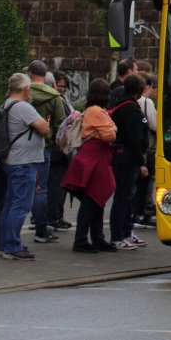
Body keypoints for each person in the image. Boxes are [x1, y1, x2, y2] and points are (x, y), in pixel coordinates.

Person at [60, 79, 118, 253]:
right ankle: (82, 239)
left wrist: (108, 127)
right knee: (92, 200)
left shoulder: (91, 110)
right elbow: (109, 136)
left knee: (95, 200)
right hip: (95, 158)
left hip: (90, 157)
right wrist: (111, 127)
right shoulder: (97, 112)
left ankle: (96, 237)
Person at [0, 73, 50, 261]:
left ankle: (6, 244)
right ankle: (13, 246)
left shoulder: (7, 104)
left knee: (11, 204)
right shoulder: (23, 107)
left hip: (13, 161)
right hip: (24, 162)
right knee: (21, 205)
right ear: (26, 89)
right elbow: (44, 128)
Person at [26, 60, 66, 244]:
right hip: (44, 147)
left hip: (20, 148)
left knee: (17, 189)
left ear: (30, 74)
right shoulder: (54, 96)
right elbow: (61, 124)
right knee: (40, 189)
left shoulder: (22, 93)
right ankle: (41, 228)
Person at [107, 74, 149, 249]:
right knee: (123, 197)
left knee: (127, 196)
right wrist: (141, 162)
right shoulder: (130, 108)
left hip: (123, 155)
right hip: (127, 157)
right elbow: (134, 138)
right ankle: (117, 236)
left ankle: (126, 232)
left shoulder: (124, 103)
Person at [45, 72, 75, 232]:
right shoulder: (56, 101)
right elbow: (61, 123)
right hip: (58, 148)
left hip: (60, 148)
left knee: (58, 185)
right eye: (60, 86)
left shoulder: (62, 100)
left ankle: (57, 215)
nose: (62, 89)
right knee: (55, 185)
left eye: (64, 86)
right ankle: (53, 216)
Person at [133, 71, 158, 229]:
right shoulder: (146, 102)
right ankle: (145, 210)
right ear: (147, 87)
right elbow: (154, 125)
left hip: (135, 147)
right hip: (148, 147)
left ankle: (136, 211)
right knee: (147, 180)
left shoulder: (131, 101)